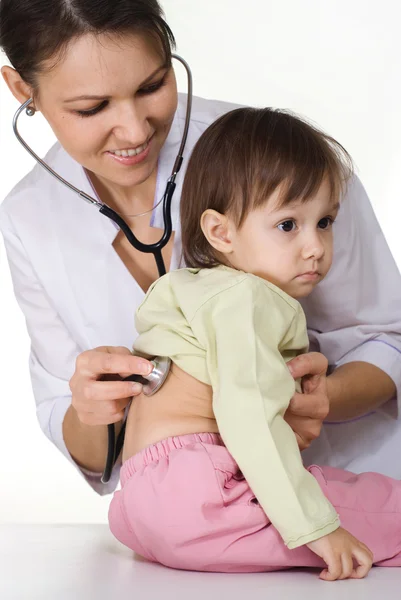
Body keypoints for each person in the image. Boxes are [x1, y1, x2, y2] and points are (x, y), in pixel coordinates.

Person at [0, 0, 400, 497]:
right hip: (199, 525)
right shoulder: (28, 218)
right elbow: (79, 435)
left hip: (353, 486)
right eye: (92, 108)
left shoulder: (280, 157)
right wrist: (94, 411)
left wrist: (326, 399)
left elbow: (387, 335)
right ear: (22, 89)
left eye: (152, 85)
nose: (135, 129)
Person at [108, 107, 401, 579]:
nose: (315, 247)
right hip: (206, 494)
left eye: (325, 221)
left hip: (143, 506)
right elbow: (248, 415)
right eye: (289, 225)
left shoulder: (197, 289)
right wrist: (315, 527)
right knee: (377, 507)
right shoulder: (247, 299)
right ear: (220, 231)